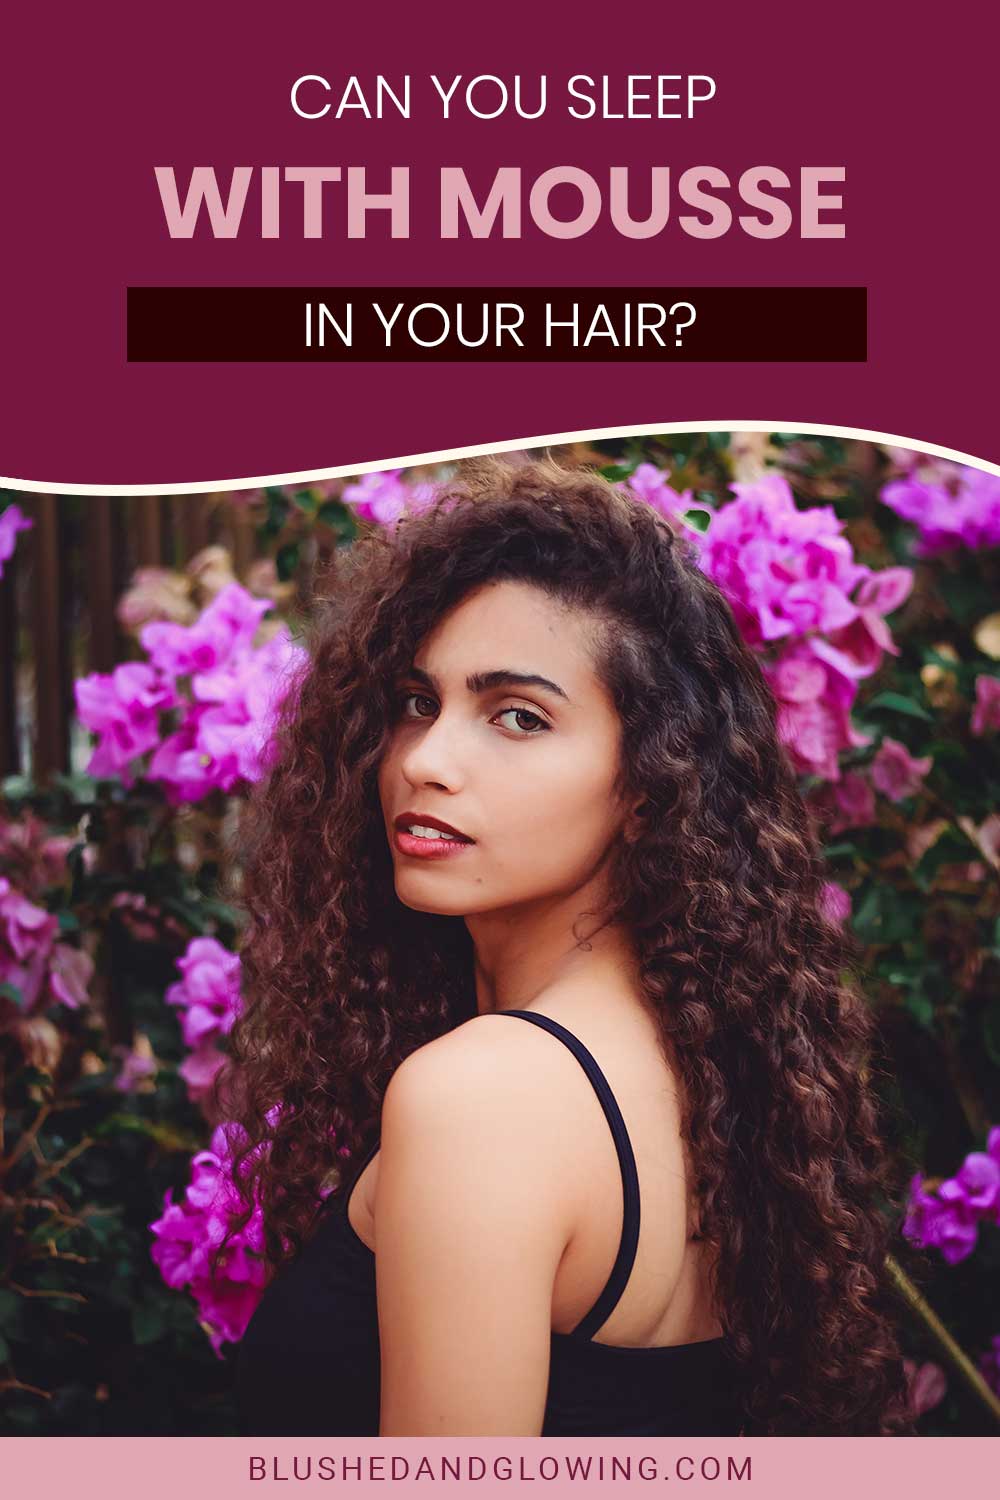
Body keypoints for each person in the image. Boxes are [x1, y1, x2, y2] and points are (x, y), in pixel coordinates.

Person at [227, 454, 912, 1437]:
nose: (425, 761)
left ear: (649, 782)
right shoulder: (707, 1064)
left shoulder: (483, 1100)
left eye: (518, 716)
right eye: (419, 703)